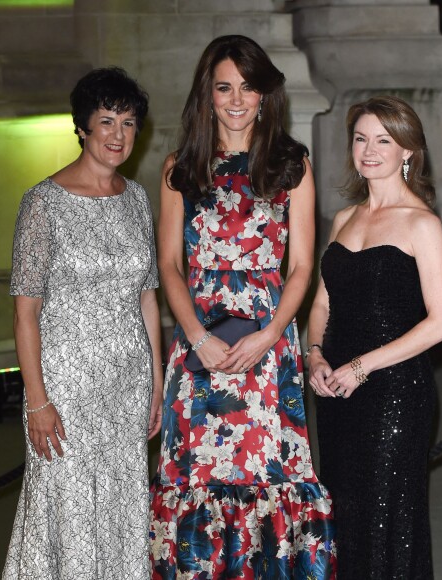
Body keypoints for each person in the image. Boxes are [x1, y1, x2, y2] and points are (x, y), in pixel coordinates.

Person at [149, 35, 336, 578]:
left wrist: (272, 335)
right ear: (206, 95)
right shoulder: (178, 168)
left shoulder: (290, 163)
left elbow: (302, 266)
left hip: (268, 343)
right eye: (224, 87)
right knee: (197, 477)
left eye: (247, 87)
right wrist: (198, 340)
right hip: (198, 343)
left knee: (269, 473)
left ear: (264, 95)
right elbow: (169, 267)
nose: (236, 99)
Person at [3, 67, 163, 579]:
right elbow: (25, 310)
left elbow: (147, 299)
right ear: (82, 127)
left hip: (127, 383)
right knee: (67, 507)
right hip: (66, 388)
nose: (119, 135)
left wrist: (157, 382)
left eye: (129, 123)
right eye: (107, 121)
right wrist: (37, 400)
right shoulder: (42, 203)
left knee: (122, 503)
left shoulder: (136, 199)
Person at [307, 95, 442, 579]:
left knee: (385, 520)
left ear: (408, 151)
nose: (369, 150)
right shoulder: (344, 219)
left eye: (384, 140)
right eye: (360, 139)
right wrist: (314, 356)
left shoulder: (422, 224)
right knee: (344, 513)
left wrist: (360, 366)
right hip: (335, 393)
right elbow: (323, 303)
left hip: (394, 392)